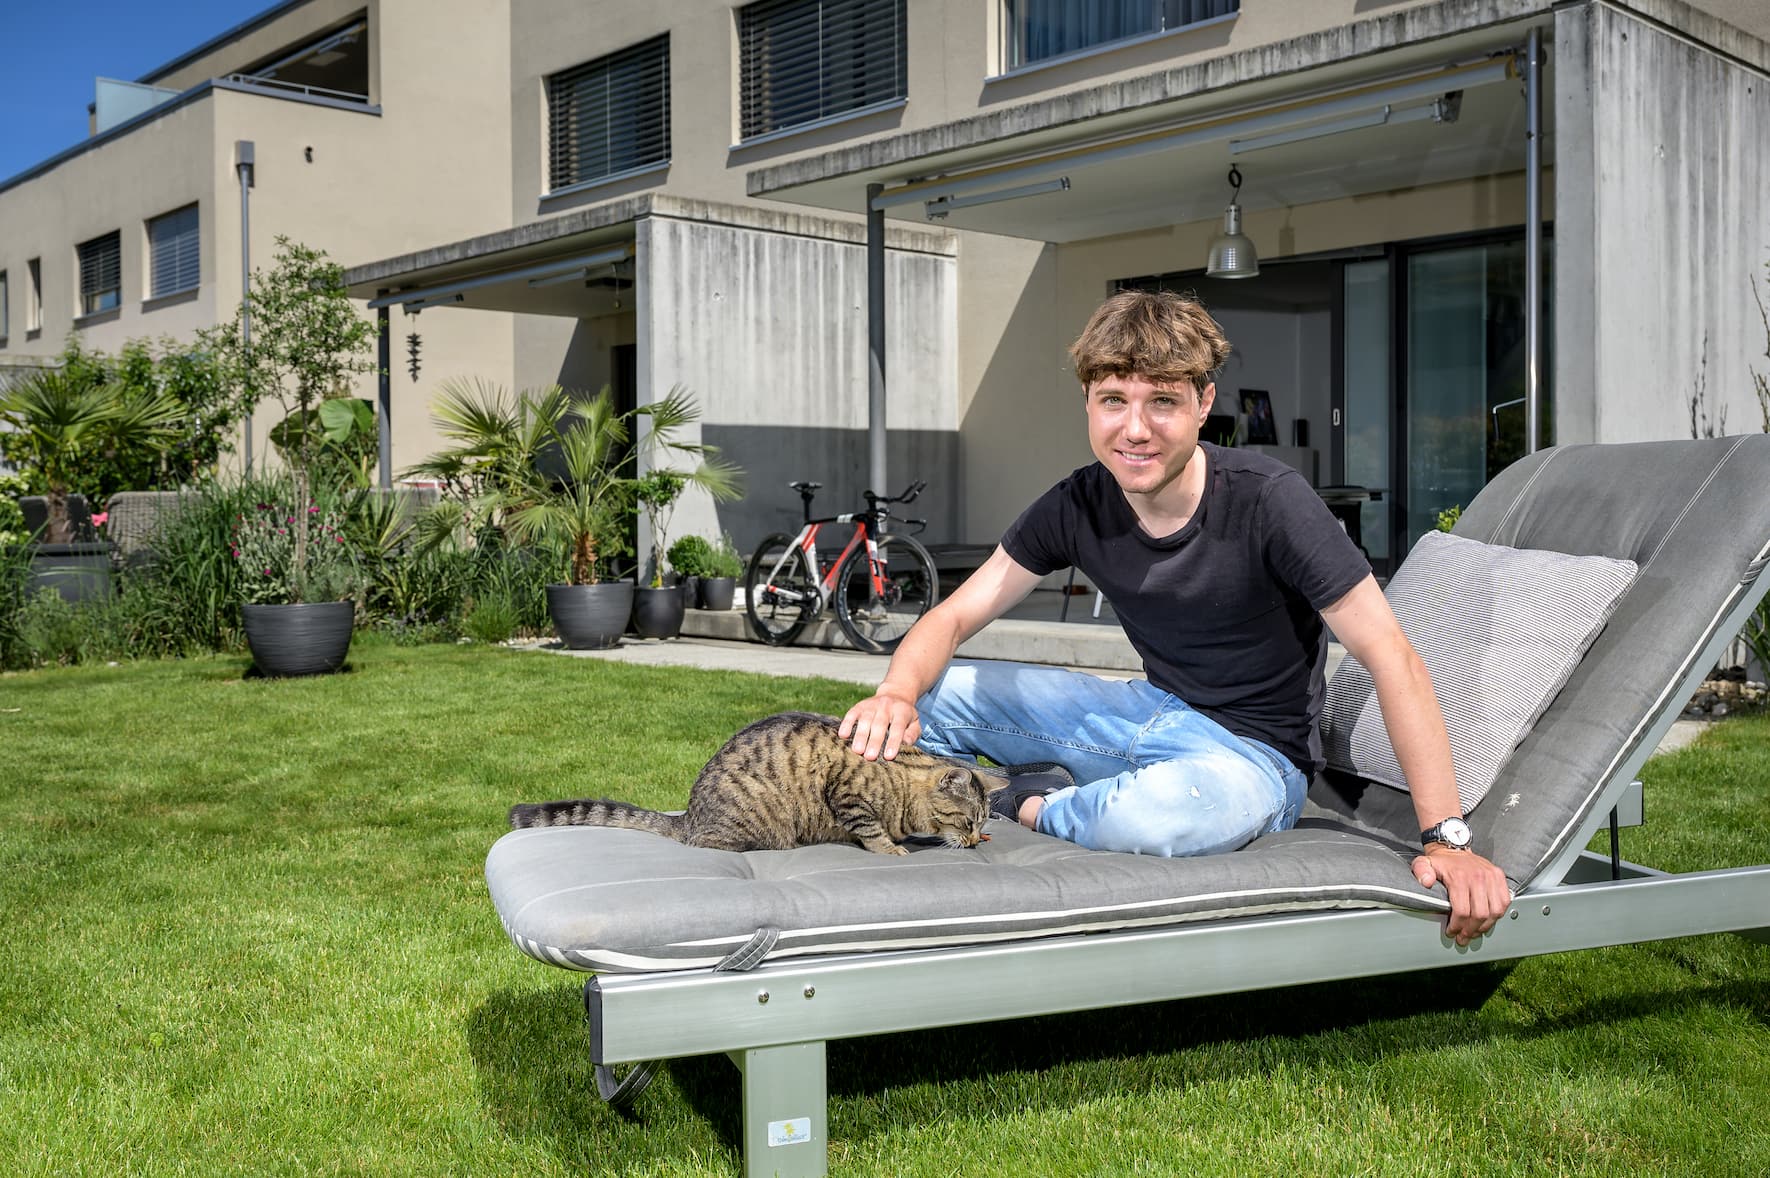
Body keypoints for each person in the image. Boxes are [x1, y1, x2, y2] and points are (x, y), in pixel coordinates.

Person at [840, 289, 1509, 946]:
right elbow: (954, 617)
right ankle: (1068, 796)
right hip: (1146, 713)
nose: (1135, 429)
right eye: (1114, 401)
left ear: (1203, 404)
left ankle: (1030, 803)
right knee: (935, 696)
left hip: (1252, 762)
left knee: (1168, 813)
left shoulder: (1271, 502)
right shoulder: (1076, 503)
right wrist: (896, 694)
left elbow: (1392, 654)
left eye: (1162, 401)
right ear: (1088, 403)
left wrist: (1445, 841)